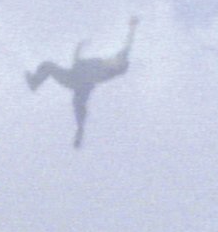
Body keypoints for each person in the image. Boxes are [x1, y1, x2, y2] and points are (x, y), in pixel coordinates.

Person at [25, 17, 139, 148]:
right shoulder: (106, 62)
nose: (114, 58)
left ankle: (80, 132)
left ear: (115, 68)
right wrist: (133, 27)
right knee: (47, 65)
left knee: (79, 107)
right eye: (116, 58)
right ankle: (34, 83)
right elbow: (127, 46)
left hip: (77, 83)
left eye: (116, 61)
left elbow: (79, 69)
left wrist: (78, 50)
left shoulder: (103, 72)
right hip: (73, 76)